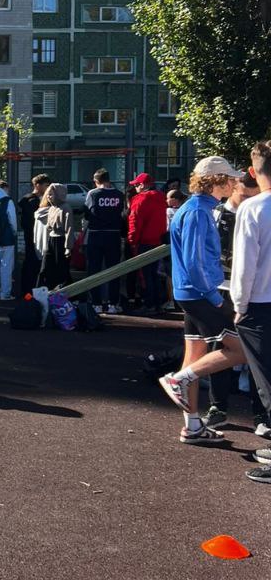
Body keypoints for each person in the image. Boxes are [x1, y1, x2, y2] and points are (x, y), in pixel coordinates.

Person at [158, 156, 248, 443]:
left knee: (194, 358)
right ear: (216, 180)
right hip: (200, 294)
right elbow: (195, 261)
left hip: (190, 293)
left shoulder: (195, 208)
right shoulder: (199, 211)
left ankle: (193, 425)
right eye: (230, 178)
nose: (234, 183)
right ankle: (178, 381)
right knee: (242, 350)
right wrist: (215, 298)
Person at [204, 171, 264, 430]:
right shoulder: (216, 214)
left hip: (254, 291)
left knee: (259, 354)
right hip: (222, 289)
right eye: (245, 195)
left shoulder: (258, 211)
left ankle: (261, 414)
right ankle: (218, 406)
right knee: (221, 347)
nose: (249, 200)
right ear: (235, 188)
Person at [230, 142, 271, 482]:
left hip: (261, 303)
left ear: (253, 172)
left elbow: (244, 266)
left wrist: (239, 306)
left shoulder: (253, 208)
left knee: (267, 382)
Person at [83, 169, 125, 314]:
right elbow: (122, 214)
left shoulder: (93, 194)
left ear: (96, 181)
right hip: (113, 235)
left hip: (96, 234)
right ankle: (113, 303)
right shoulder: (119, 194)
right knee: (114, 269)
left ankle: (96, 303)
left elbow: (87, 213)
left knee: (93, 269)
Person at [127, 173, 168, 314]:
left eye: (136, 185)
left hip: (143, 242)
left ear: (142, 185)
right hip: (158, 241)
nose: (135, 187)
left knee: (144, 276)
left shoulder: (140, 199)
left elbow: (135, 221)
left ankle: (148, 304)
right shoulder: (161, 198)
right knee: (155, 274)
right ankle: (157, 304)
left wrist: (132, 240)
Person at [34, 183, 73, 289]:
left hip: (61, 241)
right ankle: (41, 291)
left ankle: (65, 293)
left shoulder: (66, 208)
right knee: (45, 267)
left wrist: (68, 247)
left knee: (61, 269)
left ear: (59, 194)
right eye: (48, 194)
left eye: (51, 194)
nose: (48, 197)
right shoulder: (51, 208)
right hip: (51, 239)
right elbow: (49, 226)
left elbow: (69, 228)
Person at [18, 174, 49, 295]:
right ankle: (31, 289)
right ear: (37, 185)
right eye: (45, 185)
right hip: (34, 235)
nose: (47, 188)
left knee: (30, 261)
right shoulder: (33, 202)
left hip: (30, 234)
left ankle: (27, 289)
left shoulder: (27, 200)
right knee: (34, 262)